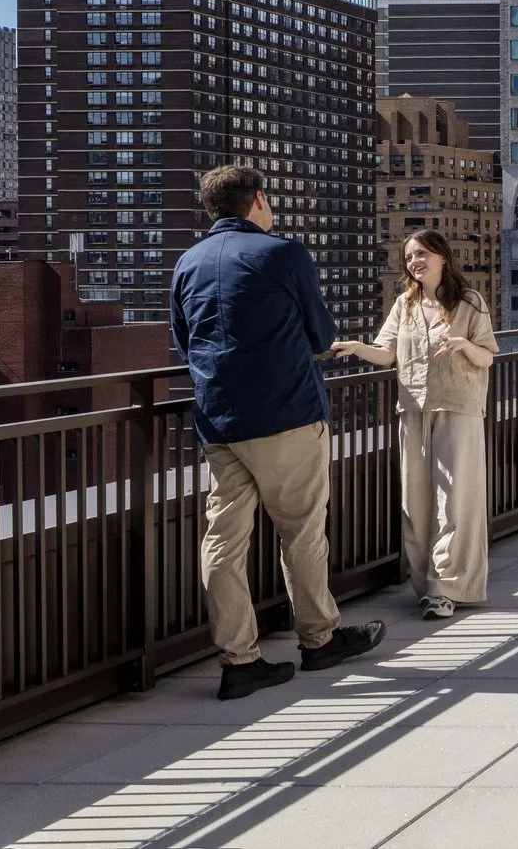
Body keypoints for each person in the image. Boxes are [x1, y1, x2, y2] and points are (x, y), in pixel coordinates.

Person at [171, 165, 384, 699]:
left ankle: (239, 660)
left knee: (222, 540)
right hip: (287, 414)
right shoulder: (282, 253)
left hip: (219, 420)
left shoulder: (187, 263)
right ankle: (319, 640)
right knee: (303, 532)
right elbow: (322, 332)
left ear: (211, 210)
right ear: (258, 202)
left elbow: (182, 339)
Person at [331, 228, 497, 620]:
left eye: (421, 254)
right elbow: (387, 354)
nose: (414, 262)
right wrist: (358, 348)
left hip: (458, 409)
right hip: (413, 410)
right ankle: (426, 584)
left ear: (442, 256)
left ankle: (447, 587)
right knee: (416, 502)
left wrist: (463, 345)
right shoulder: (404, 304)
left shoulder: (469, 302)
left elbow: (488, 356)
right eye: (408, 257)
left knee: (455, 499)